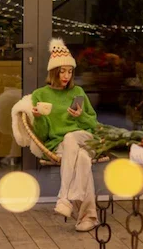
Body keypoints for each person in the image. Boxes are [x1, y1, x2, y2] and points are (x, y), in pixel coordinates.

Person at [31, 38, 99, 232]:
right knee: (83, 159)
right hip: (61, 145)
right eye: (62, 71)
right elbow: (43, 135)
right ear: (54, 71)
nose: (67, 76)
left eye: (70, 71)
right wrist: (38, 118)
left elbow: (94, 124)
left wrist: (81, 115)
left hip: (85, 138)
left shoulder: (77, 91)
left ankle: (64, 197)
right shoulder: (40, 95)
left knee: (72, 138)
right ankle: (89, 217)